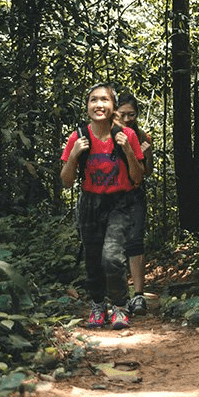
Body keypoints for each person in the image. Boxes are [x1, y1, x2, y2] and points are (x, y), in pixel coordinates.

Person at [60, 83, 144, 330]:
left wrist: (128, 150)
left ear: (113, 106)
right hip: (90, 203)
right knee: (93, 258)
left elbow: (137, 178)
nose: (99, 105)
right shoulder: (78, 136)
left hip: (119, 202)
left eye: (105, 100)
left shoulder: (127, 136)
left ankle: (120, 306)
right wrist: (74, 154)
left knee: (112, 257)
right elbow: (66, 181)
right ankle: (98, 305)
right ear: (87, 107)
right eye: (94, 100)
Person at [115, 93, 154, 316]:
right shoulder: (106, 135)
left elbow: (147, 171)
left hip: (135, 194)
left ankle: (138, 296)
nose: (128, 118)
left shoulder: (142, 136)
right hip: (111, 196)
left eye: (132, 114)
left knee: (135, 241)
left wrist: (146, 154)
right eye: (123, 114)